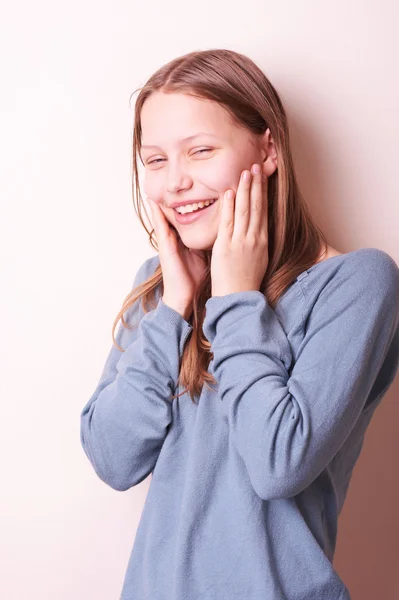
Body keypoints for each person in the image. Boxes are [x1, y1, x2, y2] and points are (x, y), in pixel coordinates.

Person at [79, 48, 399, 600]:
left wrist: (235, 296)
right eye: (155, 160)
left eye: (200, 151)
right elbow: (113, 458)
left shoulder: (356, 283)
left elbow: (279, 463)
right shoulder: (160, 287)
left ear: (268, 148)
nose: (175, 182)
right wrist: (176, 305)